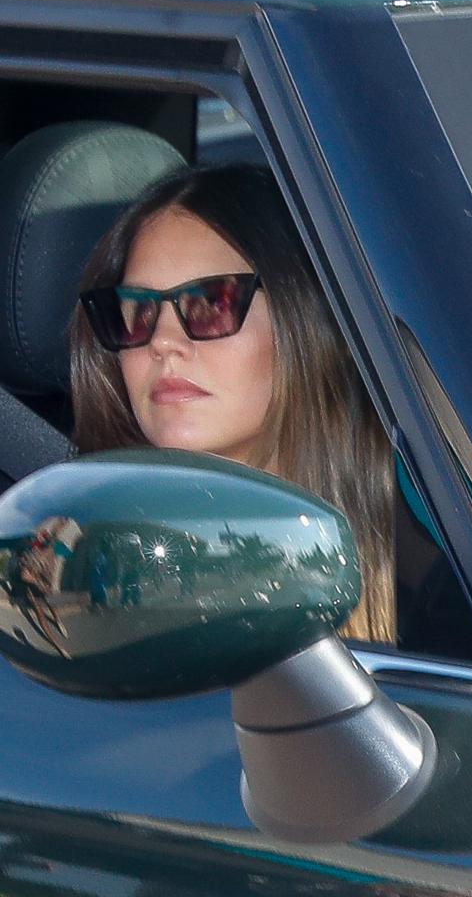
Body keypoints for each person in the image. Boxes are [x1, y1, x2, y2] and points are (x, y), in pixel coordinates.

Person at [69, 164, 396, 644]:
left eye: (211, 302)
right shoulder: (96, 563)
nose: (162, 342)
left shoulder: (439, 539)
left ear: (312, 320)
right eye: (137, 310)